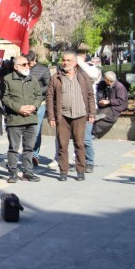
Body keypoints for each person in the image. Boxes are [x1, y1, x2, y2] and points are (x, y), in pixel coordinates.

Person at [46, 51, 96, 181]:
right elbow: (50, 97)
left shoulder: (83, 76)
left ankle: (80, 170)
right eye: (64, 60)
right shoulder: (56, 77)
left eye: (68, 60)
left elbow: (90, 95)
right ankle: (63, 171)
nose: (65, 63)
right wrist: (51, 116)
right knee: (62, 145)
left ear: (74, 62)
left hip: (80, 115)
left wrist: (92, 113)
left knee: (79, 143)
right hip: (62, 116)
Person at [0, 56, 43, 183]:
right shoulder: (8, 79)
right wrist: (19, 108)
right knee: (14, 148)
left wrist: (34, 106)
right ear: (16, 67)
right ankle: (13, 172)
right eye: (24, 64)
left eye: (28, 64)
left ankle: (27, 171)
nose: (27, 66)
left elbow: (38, 95)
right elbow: (5, 98)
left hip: (31, 118)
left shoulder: (32, 78)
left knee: (29, 147)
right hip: (15, 119)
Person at [25, 51, 50, 166]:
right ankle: (27, 153)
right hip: (24, 103)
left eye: (29, 63)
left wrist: (37, 91)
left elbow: (49, 86)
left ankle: (34, 154)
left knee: (36, 130)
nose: (27, 65)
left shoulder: (43, 70)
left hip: (39, 104)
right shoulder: (22, 68)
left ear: (34, 60)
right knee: (25, 130)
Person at [93, 71, 128, 138]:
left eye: (105, 78)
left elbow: (120, 100)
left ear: (108, 80)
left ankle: (93, 132)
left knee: (106, 117)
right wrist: (104, 101)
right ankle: (91, 130)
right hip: (111, 105)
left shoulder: (119, 87)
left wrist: (108, 102)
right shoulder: (111, 85)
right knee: (98, 113)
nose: (104, 80)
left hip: (118, 107)